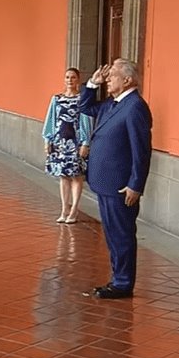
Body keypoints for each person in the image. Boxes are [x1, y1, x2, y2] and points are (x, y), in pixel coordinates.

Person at [79, 59, 153, 299]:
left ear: (128, 80)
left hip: (120, 186)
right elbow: (85, 107)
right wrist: (92, 84)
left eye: (112, 76)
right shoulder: (114, 104)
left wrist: (135, 184)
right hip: (106, 182)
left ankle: (122, 283)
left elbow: (141, 150)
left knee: (121, 235)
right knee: (112, 234)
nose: (108, 79)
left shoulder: (135, 107)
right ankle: (117, 278)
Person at [43, 67, 94, 224]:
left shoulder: (81, 100)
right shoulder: (56, 99)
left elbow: (86, 121)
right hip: (60, 143)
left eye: (73, 77)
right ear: (64, 80)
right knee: (63, 176)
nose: (70, 80)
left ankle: (74, 210)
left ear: (78, 80)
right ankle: (64, 208)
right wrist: (47, 140)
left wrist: (86, 143)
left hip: (76, 143)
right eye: (67, 77)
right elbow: (50, 119)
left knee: (76, 176)